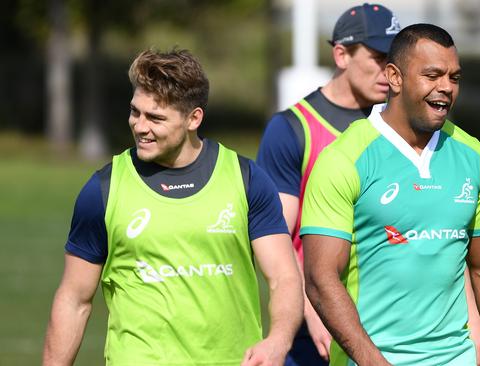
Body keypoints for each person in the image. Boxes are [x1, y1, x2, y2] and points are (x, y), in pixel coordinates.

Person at [257, 4, 480, 365]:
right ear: (341, 54)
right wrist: (310, 304)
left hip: (401, 333)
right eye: (378, 55)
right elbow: (276, 235)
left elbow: (446, 232)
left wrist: (473, 320)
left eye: (393, 58)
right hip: (314, 324)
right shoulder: (293, 130)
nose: (387, 69)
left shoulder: (410, 124)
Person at [43, 49, 303, 366]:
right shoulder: (103, 190)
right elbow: (74, 299)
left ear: (194, 118)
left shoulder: (246, 179)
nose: (139, 126)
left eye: (155, 118)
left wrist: (278, 340)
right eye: (135, 112)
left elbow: (284, 278)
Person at [300, 23, 480, 366]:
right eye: (432, 75)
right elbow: (320, 279)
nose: (446, 88)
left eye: (454, 77)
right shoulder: (344, 159)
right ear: (395, 77)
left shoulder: (471, 154)